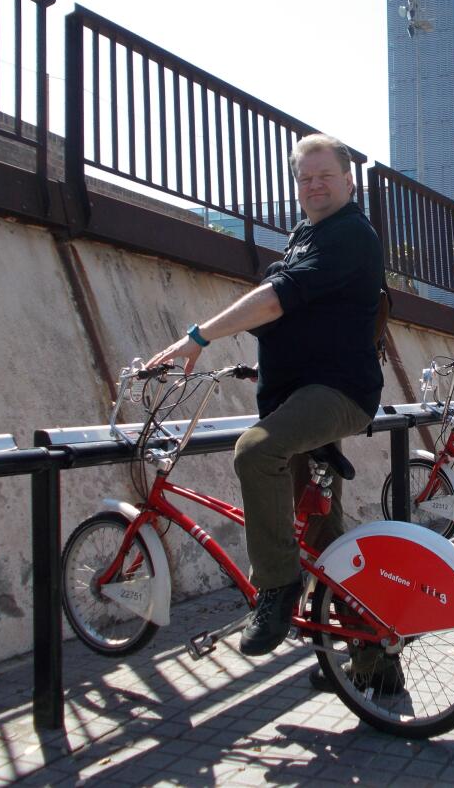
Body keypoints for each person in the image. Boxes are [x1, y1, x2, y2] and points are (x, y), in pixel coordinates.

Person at [147, 133, 383, 658]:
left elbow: (278, 300)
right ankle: (372, 660)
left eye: (325, 176)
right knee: (322, 537)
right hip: (295, 397)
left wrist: (199, 337)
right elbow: (308, 312)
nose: (315, 185)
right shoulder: (306, 235)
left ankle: (276, 588)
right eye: (305, 178)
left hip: (336, 393)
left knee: (256, 451)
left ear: (349, 181)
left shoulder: (349, 234)